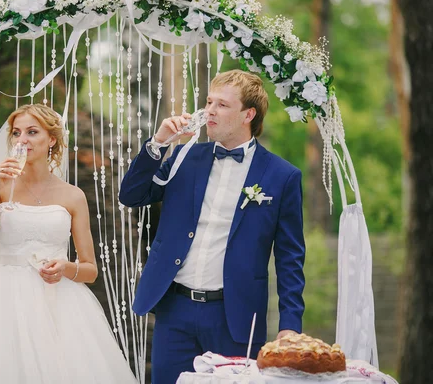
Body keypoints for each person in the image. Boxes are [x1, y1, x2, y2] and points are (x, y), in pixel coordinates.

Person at [0, 104, 137, 384]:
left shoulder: (73, 196)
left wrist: (65, 267)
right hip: (1, 301)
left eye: (32, 132)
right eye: (16, 133)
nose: (21, 140)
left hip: (59, 303)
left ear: (51, 140)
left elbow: (90, 270)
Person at [119, 70, 306, 384]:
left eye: (222, 105)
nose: (209, 111)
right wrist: (159, 142)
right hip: (174, 310)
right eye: (208, 102)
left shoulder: (283, 176)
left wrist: (290, 325)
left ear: (249, 114)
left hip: (235, 317)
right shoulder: (182, 156)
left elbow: (290, 260)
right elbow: (132, 195)